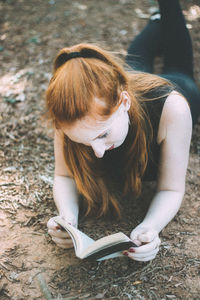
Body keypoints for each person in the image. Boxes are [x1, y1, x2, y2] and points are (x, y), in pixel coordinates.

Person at [46, 0, 200, 262]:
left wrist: (150, 228)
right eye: (83, 142)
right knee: (134, 65)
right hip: (127, 87)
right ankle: (156, 22)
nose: (97, 152)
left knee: (178, 63)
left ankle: (166, 10)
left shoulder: (173, 109)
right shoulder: (70, 113)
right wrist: (67, 217)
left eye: (102, 135)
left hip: (175, 90)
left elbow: (171, 189)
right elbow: (64, 175)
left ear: (124, 102)